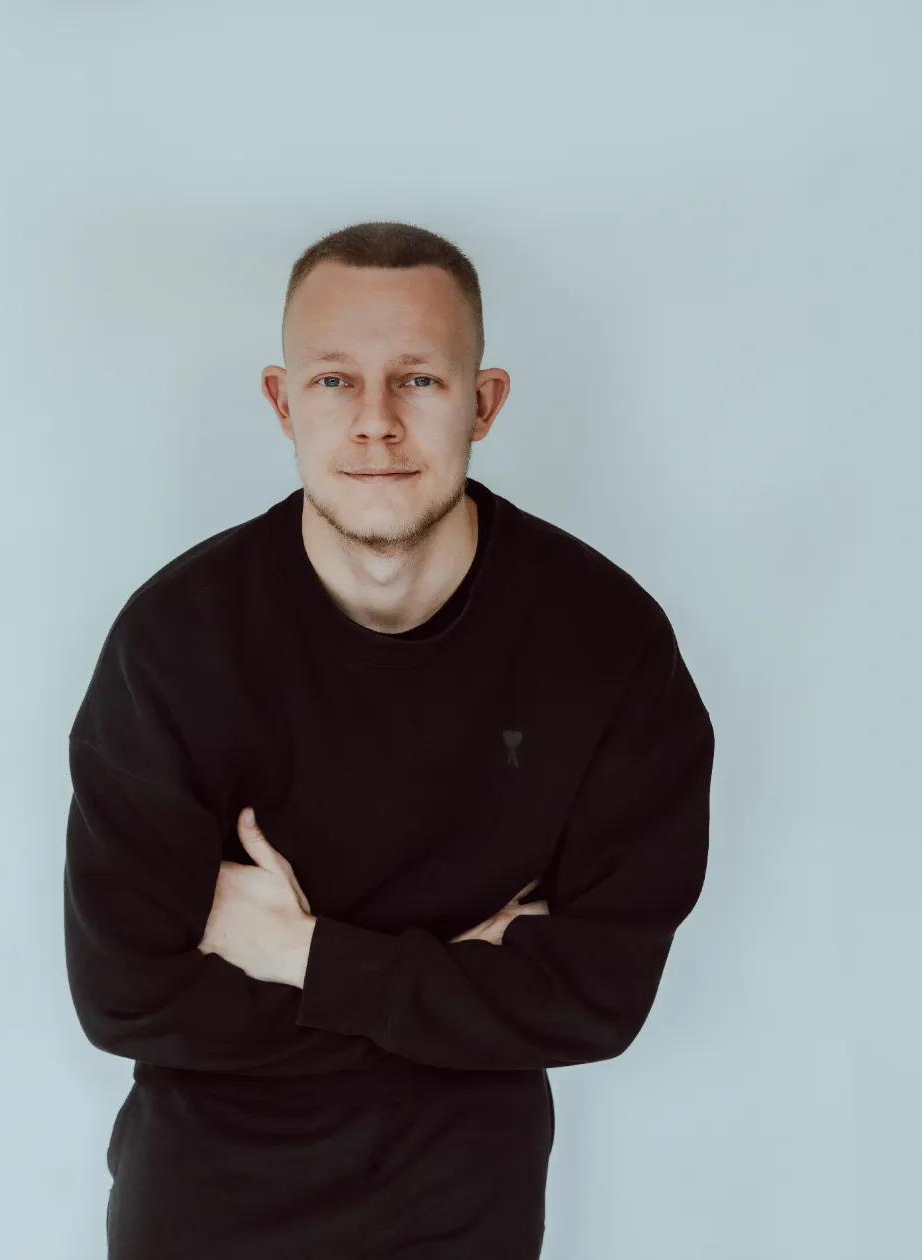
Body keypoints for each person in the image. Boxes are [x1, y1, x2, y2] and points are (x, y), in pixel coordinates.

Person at [63, 220, 714, 1259]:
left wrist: (298, 952)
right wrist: (452, 989)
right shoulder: (177, 644)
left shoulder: (604, 646)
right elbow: (124, 993)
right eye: (332, 381)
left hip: (462, 1209)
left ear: (482, 402)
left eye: (417, 380)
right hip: (205, 1203)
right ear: (281, 402)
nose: (374, 423)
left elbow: (595, 999)